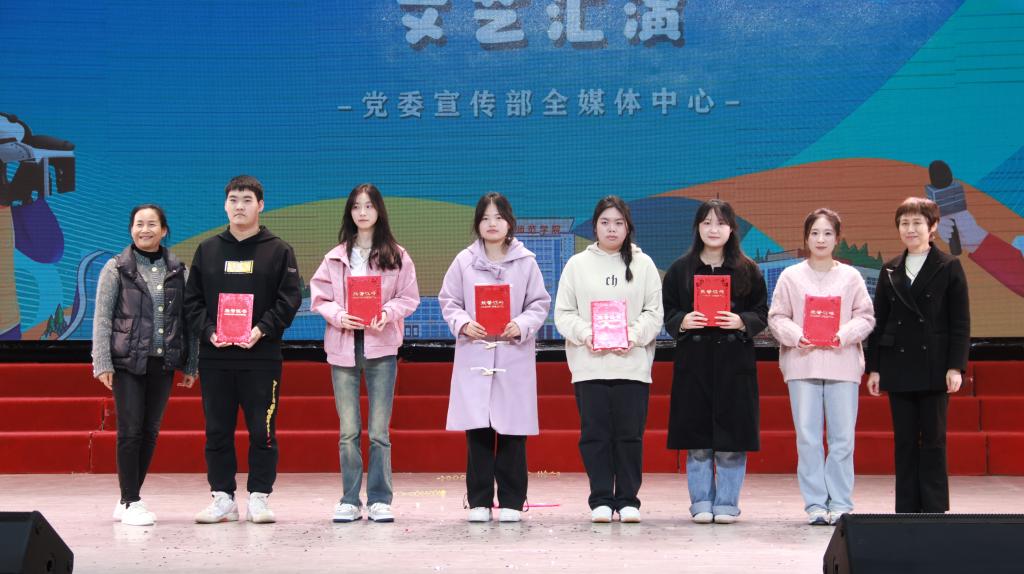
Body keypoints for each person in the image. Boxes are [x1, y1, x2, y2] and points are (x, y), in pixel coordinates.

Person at [184, 175, 303, 524]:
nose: (240, 206)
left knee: (262, 431)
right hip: (216, 358)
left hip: (262, 358)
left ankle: (259, 498)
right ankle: (222, 497)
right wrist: (209, 332)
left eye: (247, 200)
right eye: (233, 200)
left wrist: (262, 329)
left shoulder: (279, 250)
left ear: (260, 205)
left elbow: (289, 299)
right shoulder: (208, 250)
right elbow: (192, 301)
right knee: (217, 430)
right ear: (225, 205)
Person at [310, 183, 420, 523]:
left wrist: (387, 312)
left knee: (378, 431)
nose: (362, 212)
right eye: (356, 206)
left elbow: (409, 297)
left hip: (381, 345)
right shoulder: (334, 257)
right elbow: (319, 297)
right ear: (350, 212)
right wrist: (338, 315)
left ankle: (380, 499)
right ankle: (349, 499)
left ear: (379, 211)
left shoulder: (396, 255)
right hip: (343, 345)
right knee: (348, 431)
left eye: (368, 206)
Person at [438, 192, 550, 523]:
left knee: (513, 432)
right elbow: (449, 301)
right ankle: (479, 501)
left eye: (498, 217)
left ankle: (513, 501)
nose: (492, 224)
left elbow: (539, 303)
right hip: (475, 354)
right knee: (478, 432)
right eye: (485, 218)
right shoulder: (463, 261)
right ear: (477, 224)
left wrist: (522, 325)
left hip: (513, 356)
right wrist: (463, 323)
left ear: (509, 223)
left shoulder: (526, 262)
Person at [554, 195, 663, 524]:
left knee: (630, 436)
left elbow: (654, 313)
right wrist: (588, 334)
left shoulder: (644, 264)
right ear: (595, 226)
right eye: (605, 222)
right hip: (590, 365)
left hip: (632, 366)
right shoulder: (577, 265)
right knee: (595, 436)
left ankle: (628, 499)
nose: (611, 229)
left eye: (618, 223)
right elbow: (563, 313)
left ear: (628, 227)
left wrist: (632, 335)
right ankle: (600, 499)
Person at [662, 199, 768, 524]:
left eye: (721, 223)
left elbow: (762, 312)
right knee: (697, 441)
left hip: (734, 365)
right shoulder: (680, 269)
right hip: (694, 365)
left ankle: (727, 503)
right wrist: (682, 321)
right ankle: (701, 502)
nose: (713, 229)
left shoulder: (748, 269)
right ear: (697, 228)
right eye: (707, 222)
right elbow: (668, 311)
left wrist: (741, 321)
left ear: (731, 229)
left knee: (732, 441)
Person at [92, 204, 198, 526]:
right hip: (127, 361)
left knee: (150, 431)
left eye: (152, 224)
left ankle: (128, 498)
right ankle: (131, 500)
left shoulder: (179, 270)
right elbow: (102, 318)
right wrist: (102, 361)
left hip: (162, 362)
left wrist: (191, 364)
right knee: (130, 431)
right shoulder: (116, 268)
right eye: (139, 224)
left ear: (163, 230)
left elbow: (189, 321)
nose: (145, 230)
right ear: (131, 229)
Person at [767, 208, 875, 525]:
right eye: (815, 233)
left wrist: (843, 335)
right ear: (806, 237)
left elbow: (866, 316)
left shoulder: (851, 277)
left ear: (837, 238)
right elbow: (777, 317)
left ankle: (840, 502)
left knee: (842, 439)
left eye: (827, 233)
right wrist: (797, 336)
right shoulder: (791, 276)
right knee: (808, 438)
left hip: (842, 365)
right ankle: (815, 503)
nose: (821, 239)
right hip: (803, 365)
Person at [866, 197, 970, 513]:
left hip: (935, 365)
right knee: (905, 440)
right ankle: (907, 508)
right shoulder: (890, 269)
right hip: (897, 365)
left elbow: (960, 322)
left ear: (932, 227)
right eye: (904, 223)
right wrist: (875, 368)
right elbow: (879, 321)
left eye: (917, 223)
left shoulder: (948, 266)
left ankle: (935, 508)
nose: (910, 229)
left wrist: (956, 366)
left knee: (934, 438)